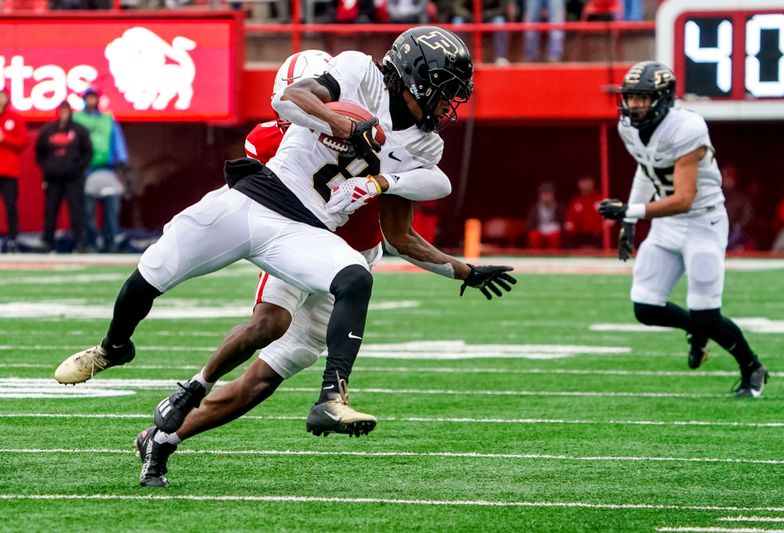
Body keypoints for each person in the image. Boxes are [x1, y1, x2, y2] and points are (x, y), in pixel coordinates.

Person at [55, 26, 512, 442]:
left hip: (307, 228)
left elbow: (434, 184)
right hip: (257, 198)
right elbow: (288, 99)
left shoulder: (424, 142)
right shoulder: (358, 72)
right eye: (445, 92)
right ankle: (115, 347)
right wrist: (343, 125)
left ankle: (331, 398)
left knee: (355, 277)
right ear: (416, 77)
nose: (447, 105)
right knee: (152, 271)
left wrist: (382, 183)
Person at [134, 58, 515, 486]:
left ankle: (163, 438)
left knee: (266, 379)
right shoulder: (280, 136)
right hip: (298, 239)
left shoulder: (401, 138)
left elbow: (400, 234)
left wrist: (463, 270)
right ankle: (191, 388)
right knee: (268, 323)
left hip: (352, 259)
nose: (447, 105)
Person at [598, 60, 767, 397]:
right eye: (630, 97)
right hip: (666, 223)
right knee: (645, 307)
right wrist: (629, 223)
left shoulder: (688, 128)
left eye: (642, 98)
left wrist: (629, 211)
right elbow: (645, 169)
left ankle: (752, 367)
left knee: (708, 311)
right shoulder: (627, 126)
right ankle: (700, 330)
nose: (633, 105)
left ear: (663, 99)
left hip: (703, 222)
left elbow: (685, 198)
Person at [72, 87, 130, 253]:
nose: (91, 101)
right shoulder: (77, 119)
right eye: (88, 98)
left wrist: (122, 163)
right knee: (87, 212)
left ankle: (110, 243)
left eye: (93, 97)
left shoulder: (108, 120)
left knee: (111, 211)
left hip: (107, 170)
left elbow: (117, 142)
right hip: (85, 171)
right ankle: (91, 242)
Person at [35, 101, 94, 253]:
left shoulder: (79, 130)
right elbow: (39, 152)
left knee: (76, 210)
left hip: (73, 178)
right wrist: (48, 168)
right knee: (51, 210)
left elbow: (88, 153)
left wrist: (76, 168)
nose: (64, 114)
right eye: (61, 111)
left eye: (66, 111)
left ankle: (79, 242)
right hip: (53, 178)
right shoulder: (48, 130)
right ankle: (48, 242)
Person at [0, 89, 28, 253]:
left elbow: (23, 142)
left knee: (11, 206)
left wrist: (5, 138)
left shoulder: (14, 119)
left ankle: (12, 240)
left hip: (9, 172)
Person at [563, 175, 603, 248]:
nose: (586, 185)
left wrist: (601, 227)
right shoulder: (576, 201)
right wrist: (570, 226)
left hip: (597, 233)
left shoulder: (601, 198)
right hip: (580, 234)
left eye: (588, 181)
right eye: (583, 182)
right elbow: (570, 219)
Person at [720, 165, 753, 250]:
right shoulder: (715, 195)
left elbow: (747, 215)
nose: (725, 180)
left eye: (728, 177)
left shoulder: (740, 197)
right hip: (719, 227)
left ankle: (725, 249)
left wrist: (738, 224)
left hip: (733, 229)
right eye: (724, 177)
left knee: (737, 233)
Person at [526, 181, 563, 249]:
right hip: (539, 230)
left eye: (549, 194)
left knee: (555, 237)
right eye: (544, 194)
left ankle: (554, 257)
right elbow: (530, 223)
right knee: (534, 236)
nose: (546, 196)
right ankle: (536, 257)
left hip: (554, 230)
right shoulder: (534, 208)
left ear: (553, 195)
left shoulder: (559, 207)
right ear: (540, 196)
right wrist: (537, 229)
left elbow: (562, 222)